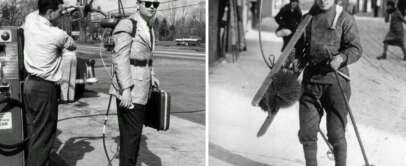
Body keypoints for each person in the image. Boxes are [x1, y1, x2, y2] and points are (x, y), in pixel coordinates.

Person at [293, 0, 362, 165]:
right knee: (307, 131)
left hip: (336, 84)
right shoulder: (306, 19)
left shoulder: (345, 18)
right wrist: (296, 61)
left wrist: (341, 57)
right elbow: (298, 49)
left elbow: (355, 48)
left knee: (336, 132)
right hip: (311, 83)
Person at [22, 0, 76, 165]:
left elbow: (43, 13)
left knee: (35, 133)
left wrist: (63, 9)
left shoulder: (30, 19)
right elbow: (72, 46)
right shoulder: (57, 34)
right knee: (44, 137)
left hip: (29, 85)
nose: (61, 14)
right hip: (45, 89)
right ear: (51, 12)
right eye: (59, 11)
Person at [109, 0, 160, 165]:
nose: (152, 6)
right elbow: (120, 57)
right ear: (138, 4)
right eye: (148, 3)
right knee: (131, 141)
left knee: (132, 138)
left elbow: (148, 56)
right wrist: (126, 89)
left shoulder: (148, 26)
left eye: (156, 4)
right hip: (130, 89)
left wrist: (152, 75)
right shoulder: (128, 23)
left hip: (143, 87)